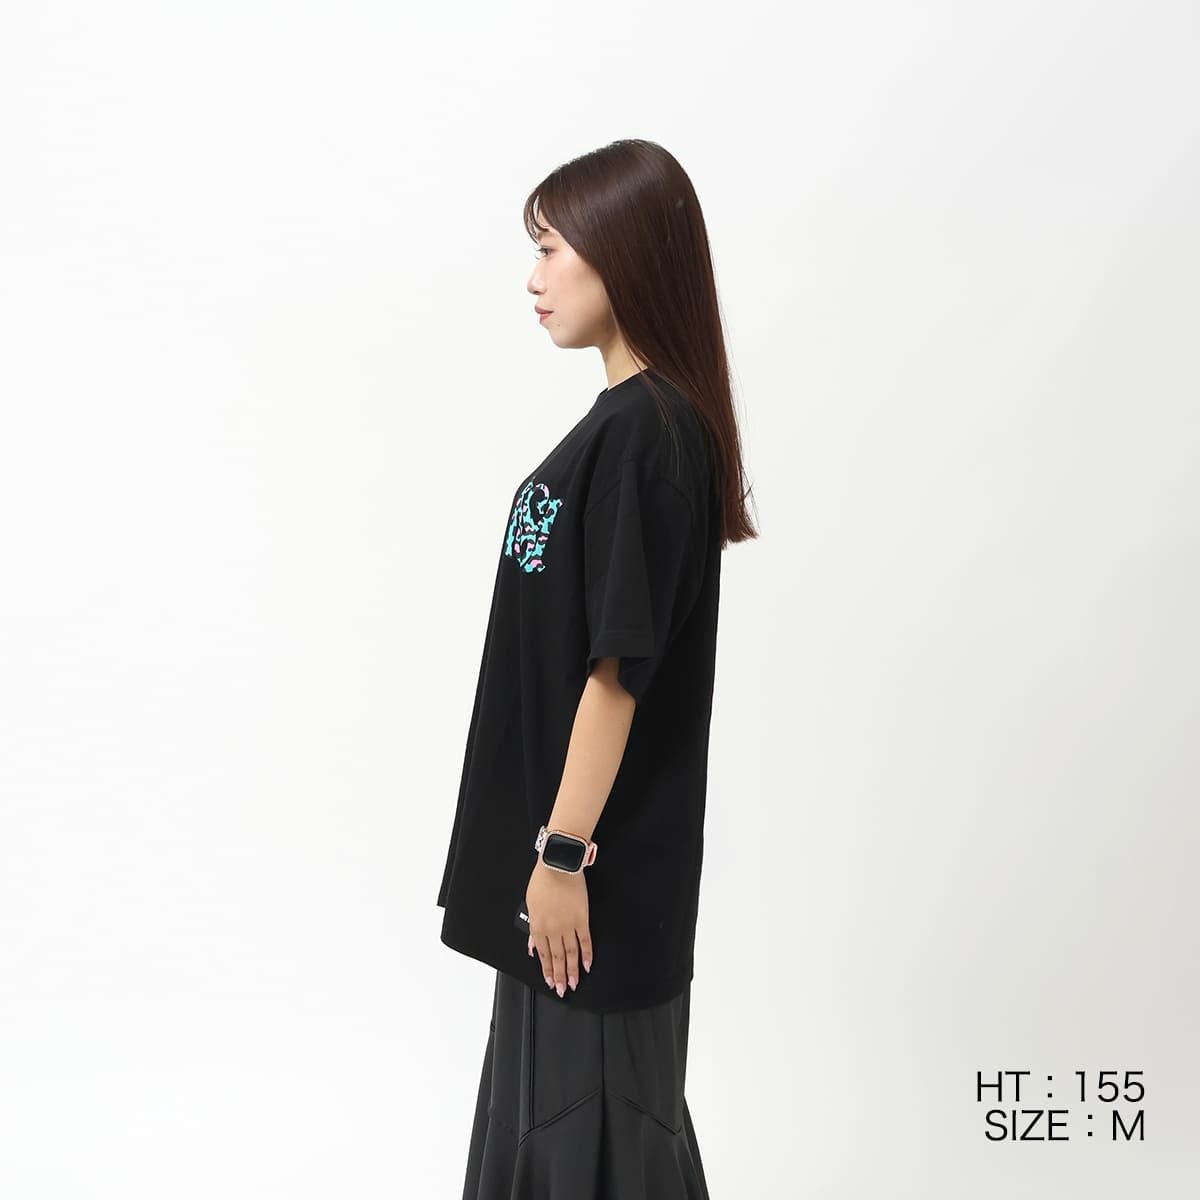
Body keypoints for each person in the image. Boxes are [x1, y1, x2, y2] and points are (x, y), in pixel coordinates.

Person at [435, 138, 758, 1199]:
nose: (533, 278)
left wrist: (564, 855)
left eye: (551, 248)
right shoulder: (621, 426)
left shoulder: (651, 437)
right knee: (548, 1139)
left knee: (596, 1148)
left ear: (620, 254)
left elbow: (617, 674)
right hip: (561, 892)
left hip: (593, 892)